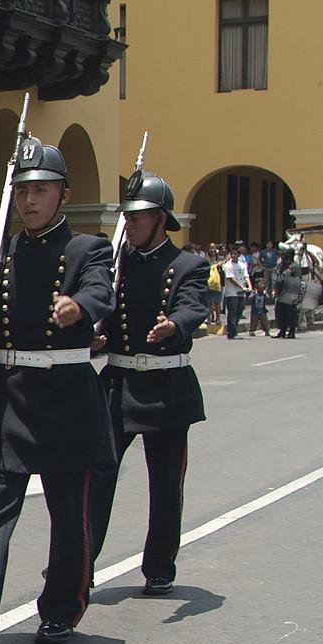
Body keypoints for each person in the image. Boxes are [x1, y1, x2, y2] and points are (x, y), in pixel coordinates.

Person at [0, 139, 113, 644]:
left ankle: (62, 605)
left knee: (69, 512)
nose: (29, 201)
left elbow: (101, 290)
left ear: (63, 195)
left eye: (40, 190)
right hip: (8, 392)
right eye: (22, 191)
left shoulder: (89, 248)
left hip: (67, 394)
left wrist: (79, 308)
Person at [86, 172, 208, 598]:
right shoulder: (114, 265)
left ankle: (159, 565)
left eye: (139, 215)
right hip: (118, 383)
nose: (130, 223)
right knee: (96, 478)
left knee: (165, 484)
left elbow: (194, 306)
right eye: (128, 215)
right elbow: (99, 307)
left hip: (166, 386)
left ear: (161, 218)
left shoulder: (188, 265)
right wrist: (94, 335)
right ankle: (81, 563)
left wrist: (175, 324)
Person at [220, 246, 249, 339]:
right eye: (231, 254)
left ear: (239, 255)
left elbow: (246, 276)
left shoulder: (242, 264)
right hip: (232, 292)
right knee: (232, 312)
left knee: (239, 311)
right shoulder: (228, 265)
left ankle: (234, 330)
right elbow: (231, 279)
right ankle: (232, 333)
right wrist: (242, 287)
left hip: (241, 292)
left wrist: (249, 286)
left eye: (235, 254)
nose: (233, 255)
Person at [273, 255, 305, 339]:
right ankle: (282, 331)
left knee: (290, 312)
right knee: (280, 312)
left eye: (285, 255)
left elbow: (298, 280)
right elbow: (278, 277)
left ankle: (292, 331)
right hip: (281, 292)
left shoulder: (295, 266)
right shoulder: (281, 265)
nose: (283, 257)